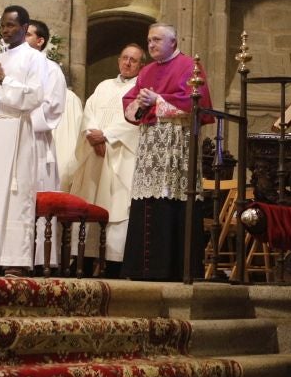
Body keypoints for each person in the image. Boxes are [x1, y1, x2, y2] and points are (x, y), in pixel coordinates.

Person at [0, 6, 65, 270]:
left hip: (17, 132)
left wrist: (3, 79)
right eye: (3, 26)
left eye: (11, 25)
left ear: (24, 26)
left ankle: (14, 260)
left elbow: (35, 96)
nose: (6, 31)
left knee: (15, 197)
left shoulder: (35, 59)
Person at [123, 23, 199, 281]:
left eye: (157, 40)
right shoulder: (146, 71)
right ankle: (142, 268)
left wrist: (157, 100)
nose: (151, 45)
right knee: (147, 201)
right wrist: (141, 102)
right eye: (149, 40)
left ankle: (169, 268)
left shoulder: (189, 66)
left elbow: (192, 102)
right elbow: (131, 102)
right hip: (150, 144)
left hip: (175, 144)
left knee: (170, 198)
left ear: (173, 43)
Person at [67, 43, 145, 266]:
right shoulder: (103, 86)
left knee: (116, 205)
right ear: (119, 60)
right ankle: (84, 258)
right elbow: (88, 112)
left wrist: (107, 136)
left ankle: (113, 262)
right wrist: (91, 134)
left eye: (133, 60)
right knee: (90, 200)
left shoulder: (141, 89)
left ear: (141, 65)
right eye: (124, 58)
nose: (127, 63)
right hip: (95, 155)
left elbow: (135, 121)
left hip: (119, 156)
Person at [25, 19, 82, 184]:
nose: (22, 38)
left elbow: (51, 109)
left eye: (27, 35)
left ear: (40, 41)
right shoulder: (16, 66)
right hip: (14, 137)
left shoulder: (51, 69)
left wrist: (23, 120)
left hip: (36, 140)